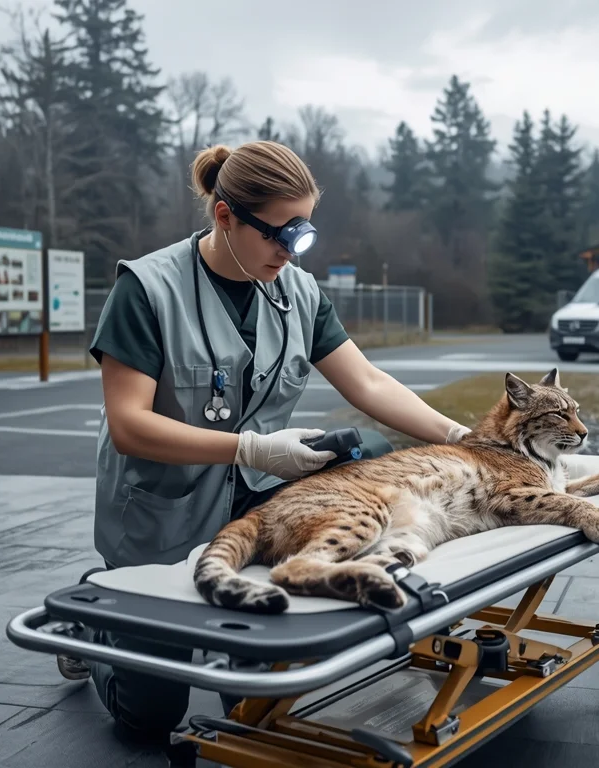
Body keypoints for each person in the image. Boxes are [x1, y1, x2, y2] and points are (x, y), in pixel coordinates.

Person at [56, 139, 471, 746]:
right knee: (148, 718)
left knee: (257, 701)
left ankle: (235, 636)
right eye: (279, 233)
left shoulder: (297, 292)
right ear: (224, 214)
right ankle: (91, 626)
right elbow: (129, 424)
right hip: (162, 515)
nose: (289, 250)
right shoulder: (147, 290)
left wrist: (463, 437)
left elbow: (369, 381)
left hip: (256, 508)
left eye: (303, 234)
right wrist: (251, 449)